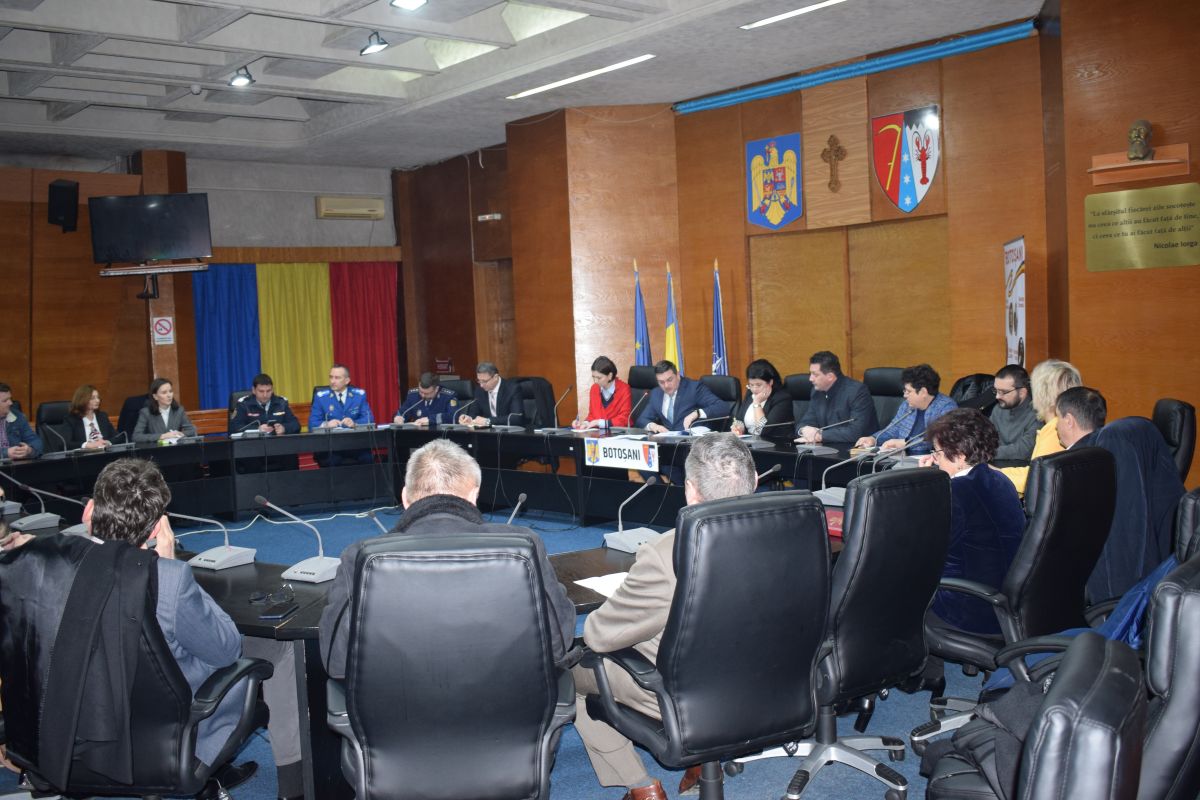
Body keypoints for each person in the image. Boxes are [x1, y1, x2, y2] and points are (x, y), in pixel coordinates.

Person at [318, 439, 574, 785]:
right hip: (510, 748)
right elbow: (559, 645)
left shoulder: (361, 557)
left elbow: (335, 661)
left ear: (405, 498)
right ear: (474, 495)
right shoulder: (522, 548)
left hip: (396, 753)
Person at [0, 459, 258, 796]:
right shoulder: (167, 577)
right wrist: (169, 561)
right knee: (233, 664)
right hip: (155, 740)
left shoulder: (35, 564)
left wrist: (34, 546)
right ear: (156, 530)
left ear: (88, 511)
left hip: (59, 737)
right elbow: (227, 649)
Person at [573, 433, 759, 800]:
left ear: (689, 490)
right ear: (755, 481)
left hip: (683, 695)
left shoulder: (666, 553)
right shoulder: (792, 530)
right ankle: (702, 760)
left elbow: (599, 636)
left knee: (571, 670)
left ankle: (640, 786)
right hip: (762, 683)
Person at [1055, 386, 1185, 602]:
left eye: (1057, 418)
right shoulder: (1117, 446)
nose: (1055, 426)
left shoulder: (1090, 463)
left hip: (1116, 591)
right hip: (1155, 573)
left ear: (1068, 420)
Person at [919, 409, 1026, 635]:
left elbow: (926, 549)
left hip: (968, 608)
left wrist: (925, 486)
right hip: (1006, 601)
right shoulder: (999, 478)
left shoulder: (957, 492)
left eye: (937, 453)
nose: (935, 459)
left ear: (959, 455)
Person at [998, 359, 1081, 496]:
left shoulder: (1055, 430)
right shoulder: (1069, 424)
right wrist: (996, 471)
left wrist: (992, 474)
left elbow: (1033, 480)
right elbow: (1034, 471)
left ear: (1041, 393)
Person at [856, 363, 956, 455]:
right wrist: (873, 439)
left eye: (908, 391)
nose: (904, 395)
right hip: (902, 459)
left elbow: (940, 441)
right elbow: (892, 430)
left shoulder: (946, 408)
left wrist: (905, 443)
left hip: (928, 462)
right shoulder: (907, 405)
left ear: (923, 392)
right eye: (904, 391)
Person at [795, 351, 878, 445]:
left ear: (830, 376)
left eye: (815, 374)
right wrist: (803, 430)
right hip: (826, 448)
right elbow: (806, 421)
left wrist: (819, 435)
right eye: (810, 373)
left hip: (857, 448)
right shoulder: (816, 392)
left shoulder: (857, 391)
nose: (810, 379)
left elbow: (856, 432)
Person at [635, 360, 726, 433]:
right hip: (667, 444)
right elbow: (641, 420)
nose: (666, 385)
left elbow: (722, 407)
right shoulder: (656, 393)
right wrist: (653, 426)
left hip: (692, 443)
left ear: (678, 375)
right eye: (661, 382)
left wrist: (696, 413)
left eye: (670, 380)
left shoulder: (694, 388)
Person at [730, 358, 794, 442]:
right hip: (751, 443)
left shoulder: (782, 399)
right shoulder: (750, 393)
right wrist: (738, 427)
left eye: (758, 385)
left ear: (770, 382)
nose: (754, 389)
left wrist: (757, 403)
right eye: (751, 385)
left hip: (775, 444)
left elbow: (764, 430)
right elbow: (739, 419)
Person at [989, 364, 1039, 462]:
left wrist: (987, 453)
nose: (997, 397)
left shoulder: (1037, 414)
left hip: (1022, 467)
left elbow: (1024, 450)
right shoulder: (998, 408)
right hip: (996, 463)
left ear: (1022, 393)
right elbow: (986, 436)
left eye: (1003, 392)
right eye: (996, 390)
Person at [573, 356, 633, 430]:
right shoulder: (594, 389)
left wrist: (601, 423)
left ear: (610, 376)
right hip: (599, 433)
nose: (595, 381)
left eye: (599, 378)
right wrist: (585, 423)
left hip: (618, 433)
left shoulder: (624, 389)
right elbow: (592, 415)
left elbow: (625, 418)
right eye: (593, 377)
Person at [230, 373, 300, 436]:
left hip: (277, 443)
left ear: (272, 390)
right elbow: (234, 428)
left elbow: (296, 425)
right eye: (261, 391)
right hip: (252, 443)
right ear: (254, 390)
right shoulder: (244, 404)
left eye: (268, 391)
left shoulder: (281, 403)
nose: (265, 395)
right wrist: (257, 429)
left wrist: (284, 428)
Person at [309, 363, 374, 430]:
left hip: (353, 435)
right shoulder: (321, 398)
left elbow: (369, 419)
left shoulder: (358, 396)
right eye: (331, 377)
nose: (332, 381)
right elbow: (312, 424)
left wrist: (354, 423)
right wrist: (326, 424)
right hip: (331, 435)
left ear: (347, 381)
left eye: (337, 378)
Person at [460, 361, 525, 427]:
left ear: (495, 377)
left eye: (484, 381)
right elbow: (474, 413)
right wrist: (469, 418)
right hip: (487, 431)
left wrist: (488, 421)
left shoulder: (512, 389)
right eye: (479, 381)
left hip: (509, 431)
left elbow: (517, 418)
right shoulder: (479, 390)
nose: (481, 385)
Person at [132, 378, 197, 443]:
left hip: (175, 448)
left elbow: (191, 430)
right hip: (156, 448)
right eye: (164, 392)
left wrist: (181, 433)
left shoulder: (179, 410)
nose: (169, 395)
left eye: (170, 391)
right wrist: (162, 436)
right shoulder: (146, 413)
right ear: (155, 396)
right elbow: (136, 437)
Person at [394, 372, 459, 427]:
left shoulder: (448, 396)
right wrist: (398, 417)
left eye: (426, 393)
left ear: (436, 389)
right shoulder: (413, 395)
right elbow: (402, 412)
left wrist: (430, 420)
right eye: (421, 391)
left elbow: (454, 416)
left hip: (440, 435)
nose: (423, 395)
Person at [64, 384, 115, 450]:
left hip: (105, 453)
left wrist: (108, 442)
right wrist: (86, 445)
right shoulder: (71, 419)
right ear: (82, 400)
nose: (97, 400)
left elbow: (118, 437)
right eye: (93, 398)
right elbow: (65, 443)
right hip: (85, 455)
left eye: (98, 397)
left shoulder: (102, 417)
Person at [0, 382, 43, 460]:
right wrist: (5, 453)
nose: (10, 403)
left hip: (16, 465)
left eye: (10, 399)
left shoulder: (17, 416)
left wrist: (30, 450)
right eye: (5, 400)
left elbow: (35, 441)